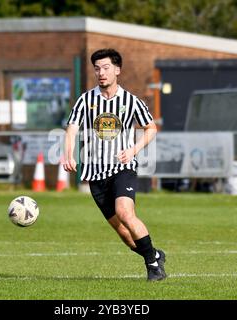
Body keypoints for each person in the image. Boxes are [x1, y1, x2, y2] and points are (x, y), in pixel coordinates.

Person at [63, 48, 166, 281]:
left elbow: (151, 128)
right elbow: (72, 128)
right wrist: (68, 154)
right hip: (95, 175)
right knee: (123, 233)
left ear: (117, 70)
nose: (101, 73)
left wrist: (133, 150)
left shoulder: (131, 101)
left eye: (106, 68)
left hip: (123, 168)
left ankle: (153, 268)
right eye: (97, 68)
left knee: (125, 212)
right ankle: (155, 254)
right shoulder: (86, 100)